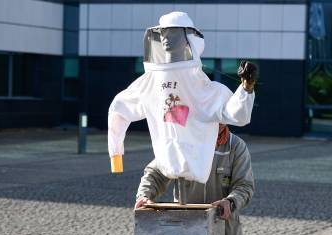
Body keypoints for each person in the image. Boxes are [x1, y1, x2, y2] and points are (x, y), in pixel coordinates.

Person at [107, 11, 257, 184]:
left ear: (188, 37)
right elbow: (119, 110)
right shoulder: (149, 82)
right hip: (165, 166)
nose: (165, 37)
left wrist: (246, 88)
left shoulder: (200, 85)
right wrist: (116, 155)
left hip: (197, 168)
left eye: (172, 32)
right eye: (163, 32)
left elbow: (236, 115)